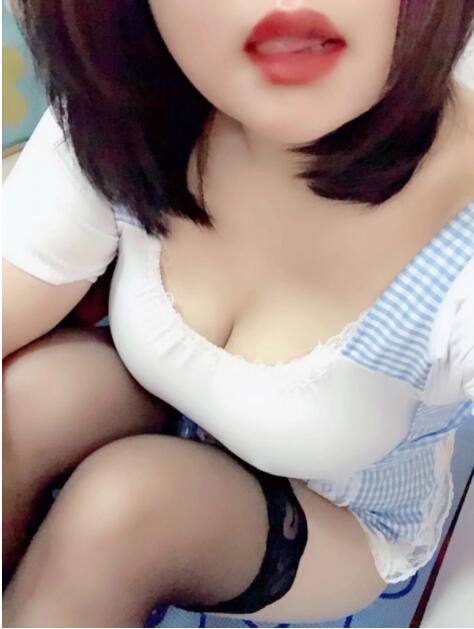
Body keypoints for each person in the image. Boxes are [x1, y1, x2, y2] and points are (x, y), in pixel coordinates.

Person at [2, 1, 473, 626]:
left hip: (337, 510)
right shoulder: (134, 105)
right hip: (170, 403)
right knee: (34, 397)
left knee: (125, 509)